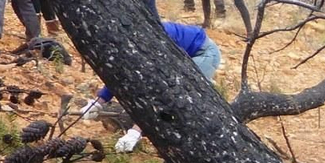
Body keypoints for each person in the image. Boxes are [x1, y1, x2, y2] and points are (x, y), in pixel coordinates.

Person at [84, 20, 223, 151]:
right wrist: (99, 102)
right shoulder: (131, 44)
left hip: (205, 53)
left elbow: (160, 94)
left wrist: (135, 131)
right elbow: (122, 74)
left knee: (179, 94)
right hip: (186, 54)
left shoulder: (155, 45)